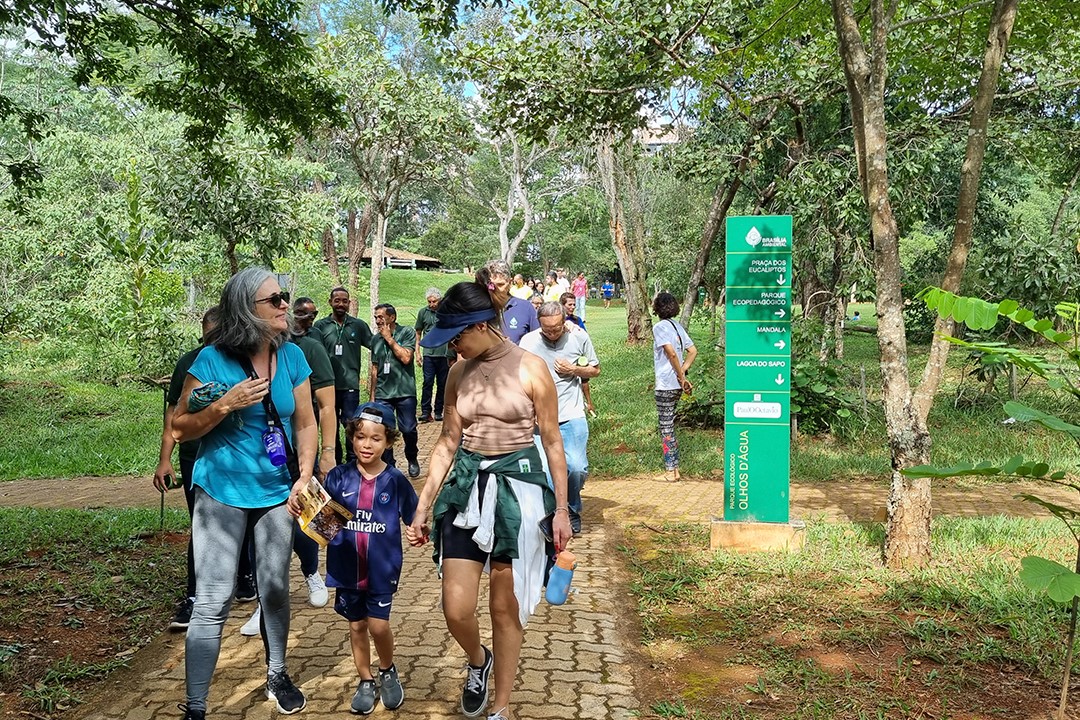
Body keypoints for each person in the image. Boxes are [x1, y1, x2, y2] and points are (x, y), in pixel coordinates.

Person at [406, 279, 572, 720]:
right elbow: (446, 442)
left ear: (481, 324)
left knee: (504, 606)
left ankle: (500, 707)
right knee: (456, 607)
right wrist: (423, 506)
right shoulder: (459, 373)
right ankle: (478, 660)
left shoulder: (531, 368)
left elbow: (553, 443)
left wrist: (561, 511)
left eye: (457, 337)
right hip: (466, 491)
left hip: (516, 492)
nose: (453, 348)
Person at [172, 268, 317, 719]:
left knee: (275, 588)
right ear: (244, 311)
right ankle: (196, 705)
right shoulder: (209, 362)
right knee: (213, 598)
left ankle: (277, 674)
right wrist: (224, 405)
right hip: (220, 491)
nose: (283, 306)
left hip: (276, 491)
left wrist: (305, 474)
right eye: (273, 300)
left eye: (283, 297)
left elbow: (306, 421)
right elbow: (179, 428)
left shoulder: (291, 355)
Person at [155, 307, 259, 631]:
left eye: (219, 336)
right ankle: (194, 596)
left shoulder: (246, 357)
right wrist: (164, 459)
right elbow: (173, 415)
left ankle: (244, 579)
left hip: (239, 460)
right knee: (201, 530)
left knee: (245, 523)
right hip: (195, 457)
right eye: (208, 337)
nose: (213, 343)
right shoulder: (190, 362)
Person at [238, 296, 336, 635]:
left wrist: (327, 450)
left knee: (307, 522)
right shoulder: (242, 354)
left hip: (295, 456)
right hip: (255, 464)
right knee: (256, 536)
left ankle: (313, 575)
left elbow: (324, 405)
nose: (295, 316)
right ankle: (263, 605)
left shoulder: (305, 349)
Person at [320, 402, 418, 715]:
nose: (367, 444)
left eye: (376, 438)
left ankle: (387, 670)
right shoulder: (338, 478)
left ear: (389, 441)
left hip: (382, 570)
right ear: (351, 437)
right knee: (356, 626)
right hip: (347, 569)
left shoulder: (395, 481)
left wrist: (421, 531)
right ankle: (365, 679)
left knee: (377, 626)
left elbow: (414, 518)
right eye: (361, 437)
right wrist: (303, 513)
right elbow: (324, 523)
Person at [519, 302, 600, 530]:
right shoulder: (528, 342)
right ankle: (558, 513)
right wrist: (529, 409)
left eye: (556, 328)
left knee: (576, 468)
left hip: (571, 414)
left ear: (565, 321)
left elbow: (595, 369)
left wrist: (573, 370)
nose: (552, 334)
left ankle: (571, 506)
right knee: (545, 470)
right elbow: (519, 378)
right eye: (547, 330)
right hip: (540, 419)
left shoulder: (579, 337)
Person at [313, 287, 373, 465]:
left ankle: (352, 461)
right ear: (330, 302)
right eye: (337, 300)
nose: (340, 304)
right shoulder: (320, 327)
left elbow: (375, 346)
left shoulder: (358, 325)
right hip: (326, 386)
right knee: (328, 424)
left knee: (350, 425)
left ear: (349, 303)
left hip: (350, 385)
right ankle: (336, 460)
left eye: (344, 301)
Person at [369, 303, 421, 478]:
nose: (378, 320)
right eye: (376, 317)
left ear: (392, 317)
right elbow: (375, 369)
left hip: (405, 391)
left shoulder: (406, 332)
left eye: (381, 317)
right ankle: (389, 467)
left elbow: (406, 358)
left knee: (408, 429)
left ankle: (412, 457)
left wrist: (389, 339)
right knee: (384, 431)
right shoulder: (375, 340)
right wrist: (372, 397)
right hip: (384, 394)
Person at [651, 291, 697, 482]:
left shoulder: (660, 327)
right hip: (676, 384)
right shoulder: (677, 326)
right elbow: (693, 351)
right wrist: (684, 372)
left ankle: (671, 471)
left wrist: (680, 375)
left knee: (666, 427)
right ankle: (675, 469)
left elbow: (670, 353)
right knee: (669, 424)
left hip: (666, 384)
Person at [415, 288, 454, 423]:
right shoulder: (423, 312)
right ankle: (426, 412)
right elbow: (418, 332)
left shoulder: (446, 311)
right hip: (429, 354)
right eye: (429, 301)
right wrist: (417, 352)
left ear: (440, 299)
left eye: (434, 301)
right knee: (427, 382)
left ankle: (438, 411)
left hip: (444, 353)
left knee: (442, 384)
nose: (432, 304)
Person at [482, 259, 535, 344]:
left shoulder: (526, 308)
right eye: (491, 285)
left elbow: (537, 342)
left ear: (510, 282)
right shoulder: (478, 309)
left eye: (500, 284)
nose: (495, 289)